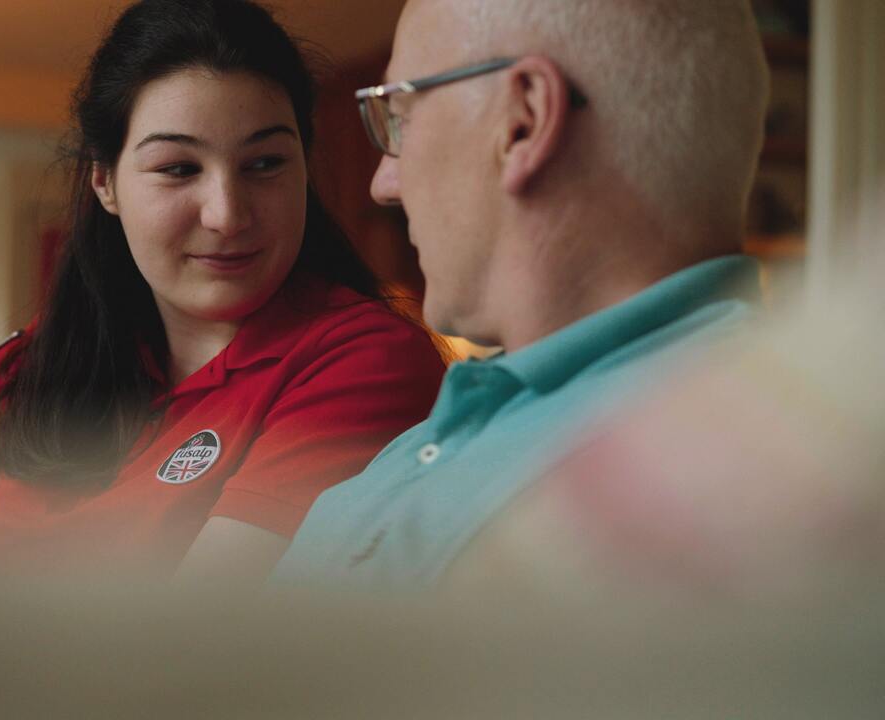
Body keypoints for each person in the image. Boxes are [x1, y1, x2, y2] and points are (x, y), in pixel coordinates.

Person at [0, 0, 446, 584]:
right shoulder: (41, 360)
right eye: (179, 169)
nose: (227, 215)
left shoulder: (368, 360)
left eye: (265, 163)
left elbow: (197, 628)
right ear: (105, 181)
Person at [271, 0, 772, 589]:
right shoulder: (475, 418)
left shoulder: (705, 473)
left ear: (522, 122)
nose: (383, 184)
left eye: (399, 117)